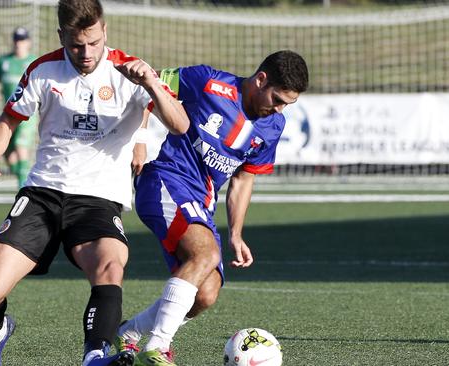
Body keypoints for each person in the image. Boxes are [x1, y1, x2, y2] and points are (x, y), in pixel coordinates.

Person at [0, 1, 189, 366]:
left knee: (110, 266)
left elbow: (180, 124)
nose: (86, 53)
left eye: (94, 43)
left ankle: (95, 356)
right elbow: (7, 121)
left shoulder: (130, 70)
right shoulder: (42, 70)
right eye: (76, 45)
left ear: (105, 32)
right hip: (42, 195)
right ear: (62, 37)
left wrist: (149, 82)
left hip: (98, 200)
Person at [116, 50, 309, 366]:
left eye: (288, 103)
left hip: (201, 204)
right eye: (277, 99)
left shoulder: (273, 126)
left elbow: (243, 180)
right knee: (205, 255)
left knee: (206, 293)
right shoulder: (207, 82)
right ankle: (159, 346)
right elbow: (145, 85)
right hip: (164, 180)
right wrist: (139, 138)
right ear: (261, 80)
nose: (280, 108)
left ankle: (130, 334)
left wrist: (235, 233)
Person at [0, 26, 38, 188]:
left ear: (28, 42)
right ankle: (24, 178)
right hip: (9, 114)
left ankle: (23, 189)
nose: (18, 44)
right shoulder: (4, 62)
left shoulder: (34, 62)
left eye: (22, 40)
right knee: (8, 154)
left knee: (21, 145)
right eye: (16, 40)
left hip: (28, 114)